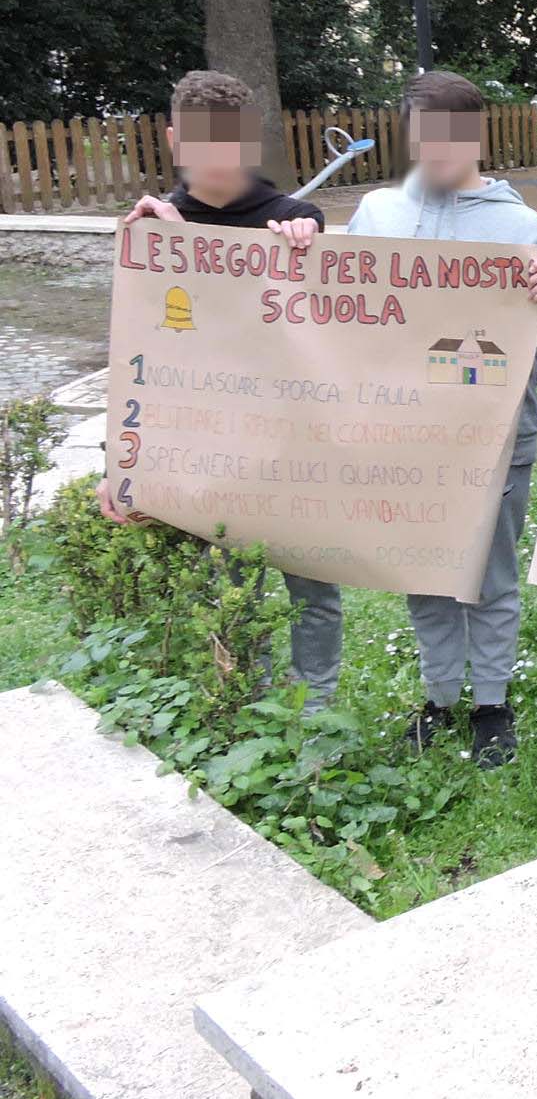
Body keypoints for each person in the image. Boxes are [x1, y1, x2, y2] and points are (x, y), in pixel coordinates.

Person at [348, 70, 537, 767]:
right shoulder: (377, 215)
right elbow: (341, 314)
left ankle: (493, 703)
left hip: (496, 437)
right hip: (408, 435)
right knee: (425, 567)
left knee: (489, 571)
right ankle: (440, 695)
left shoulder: (524, 228)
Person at [99, 70, 343, 710]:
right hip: (215, 452)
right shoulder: (153, 231)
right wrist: (120, 465)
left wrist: (306, 249)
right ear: (176, 140)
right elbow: (138, 355)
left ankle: (314, 718)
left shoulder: (295, 219)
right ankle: (253, 712)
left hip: (296, 447)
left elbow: (336, 332)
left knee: (313, 589)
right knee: (233, 588)